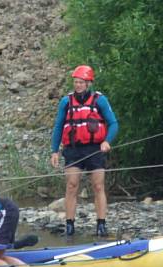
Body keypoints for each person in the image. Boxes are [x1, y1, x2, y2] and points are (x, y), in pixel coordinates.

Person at [50, 65, 119, 237]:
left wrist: (107, 141)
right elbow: (59, 126)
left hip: (94, 149)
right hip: (73, 150)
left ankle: (101, 224)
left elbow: (113, 123)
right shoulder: (66, 102)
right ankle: (70, 225)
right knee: (72, 185)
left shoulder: (99, 100)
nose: (78, 85)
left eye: (81, 82)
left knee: (98, 186)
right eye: (76, 82)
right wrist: (54, 150)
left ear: (88, 83)